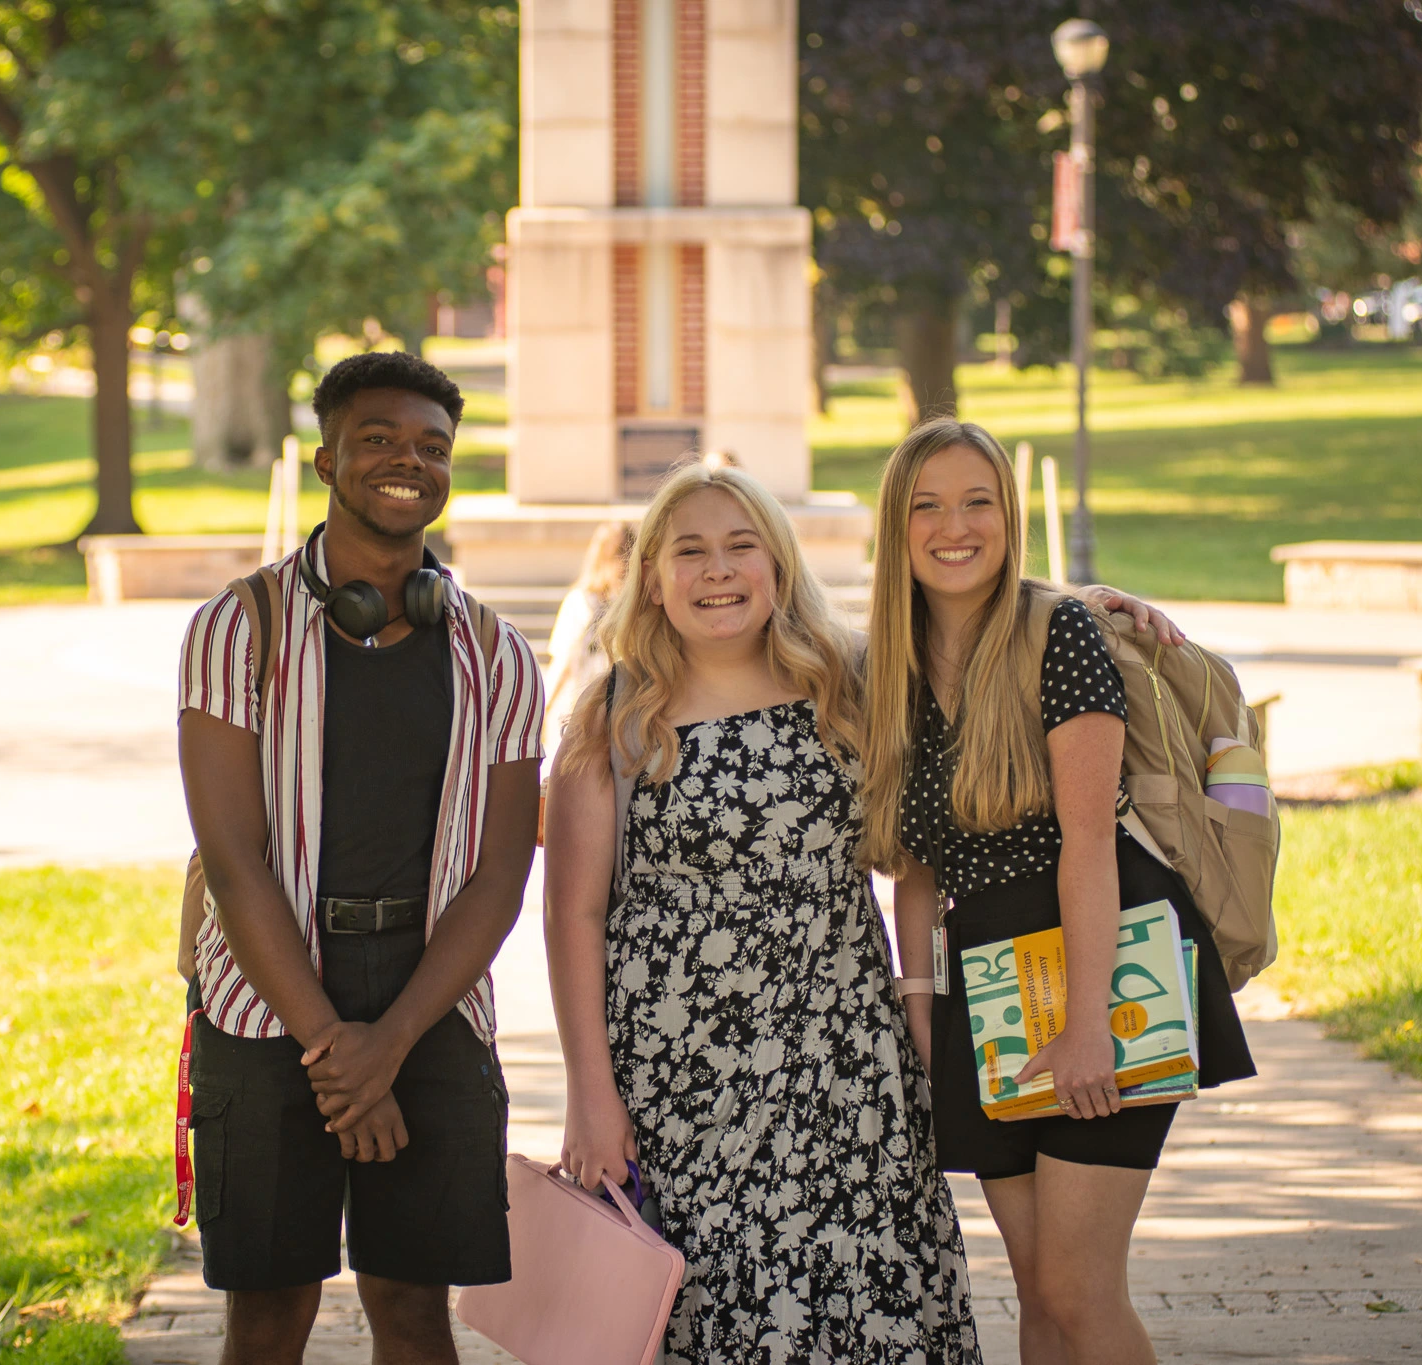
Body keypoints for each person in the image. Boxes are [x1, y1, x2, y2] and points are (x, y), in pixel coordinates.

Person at [542, 457, 983, 1363]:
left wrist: (1103, 608)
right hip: (681, 1087)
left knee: (867, 1308)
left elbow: (986, 636)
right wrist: (590, 1093)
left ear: (778, 566)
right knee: (719, 1320)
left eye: (741, 546)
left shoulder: (848, 684)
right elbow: (571, 915)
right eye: (689, 551)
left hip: (847, 1068)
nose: (717, 570)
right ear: (651, 579)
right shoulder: (614, 715)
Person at [859, 418, 1256, 1365]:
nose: (955, 526)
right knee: (1038, 1293)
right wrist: (922, 1011)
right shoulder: (887, 666)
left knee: (1080, 1289)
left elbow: (1088, 846)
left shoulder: (1060, 634)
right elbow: (916, 867)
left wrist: (1087, 1025)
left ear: (1009, 514)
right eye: (927, 506)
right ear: (896, 525)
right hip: (990, 991)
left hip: (1101, 964)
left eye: (977, 502)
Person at [177, 350, 545, 1365]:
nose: (407, 461)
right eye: (377, 439)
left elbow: (500, 877)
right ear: (326, 460)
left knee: (416, 1313)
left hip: (432, 1001)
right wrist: (337, 1051)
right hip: (262, 1003)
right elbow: (234, 861)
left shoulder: (499, 655)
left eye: (432, 446)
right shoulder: (236, 628)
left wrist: (389, 1045)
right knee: (266, 1319)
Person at [541, 520, 636, 766]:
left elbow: (563, 664)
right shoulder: (639, 605)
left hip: (586, 709)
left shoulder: (580, 602)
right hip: (626, 711)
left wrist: (544, 710)